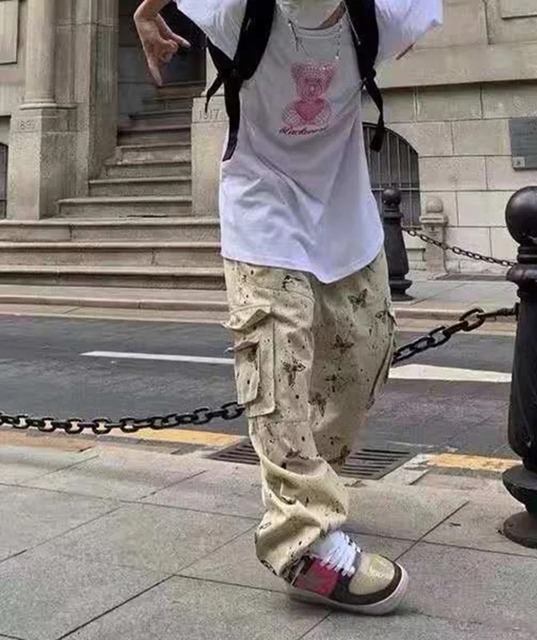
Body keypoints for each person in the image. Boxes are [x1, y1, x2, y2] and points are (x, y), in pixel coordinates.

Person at [134, 0, 442, 615]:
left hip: (345, 214)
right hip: (263, 205)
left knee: (363, 359)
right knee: (278, 359)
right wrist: (146, 13)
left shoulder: (380, 17)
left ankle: (311, 478)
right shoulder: (232, 12)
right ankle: (302, 539)